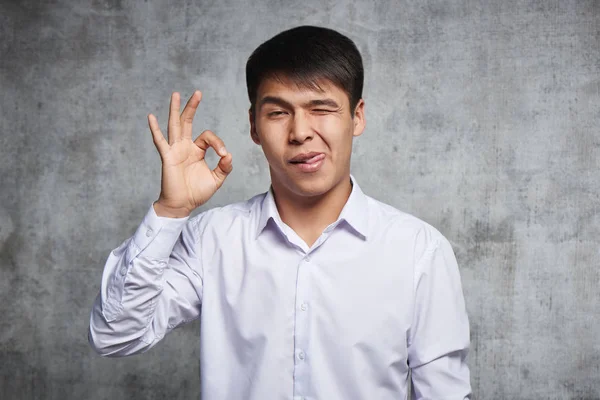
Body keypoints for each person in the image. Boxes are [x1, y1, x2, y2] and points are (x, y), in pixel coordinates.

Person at [88, 25, 471, 399]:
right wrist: (170, 210)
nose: (300, 132)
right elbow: (115, 335)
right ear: (253, 126)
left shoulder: (419, 250)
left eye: (321, 108)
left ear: (357, 117)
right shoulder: (212, 240)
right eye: (278, 113)